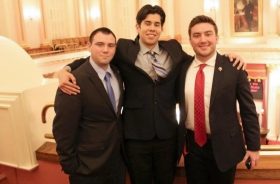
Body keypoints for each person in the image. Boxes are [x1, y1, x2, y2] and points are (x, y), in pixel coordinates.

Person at [56, 5, 245, 184]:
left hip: (167, 135)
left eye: (157, 24)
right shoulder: (122, 48)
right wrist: (65, 69)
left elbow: (198, 60)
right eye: (147, 23)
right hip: (135, 137)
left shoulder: (173, 48)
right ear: (138, 26)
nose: (152, 28)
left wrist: (226, 57)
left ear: (161, 28)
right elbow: (95, 56)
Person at [178, 15, 261, 184]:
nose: (203, 40)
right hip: (192, 148)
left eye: (208, 34)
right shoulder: (182, 67)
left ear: (217, 37)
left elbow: (248, 110)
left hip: (225, 147)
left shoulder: (234, 67)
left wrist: (253, 147)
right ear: (190, 40)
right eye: (197, 35)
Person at [52, 27, 125, 184]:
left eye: (111, 45)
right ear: (89, 45)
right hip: (86, 168)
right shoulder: (73, 81)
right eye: (99, 44)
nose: (105, 50)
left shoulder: (117, 73)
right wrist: (70, 165)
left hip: (116, 163)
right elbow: (63, 128)